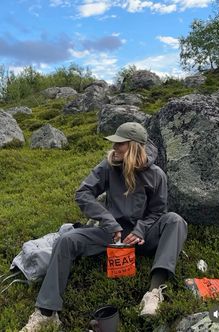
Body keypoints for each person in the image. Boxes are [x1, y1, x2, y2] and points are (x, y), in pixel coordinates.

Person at [20, 122, 188, 331]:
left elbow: (158, 212)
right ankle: (46, 312)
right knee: (66, 240)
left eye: (120, 144)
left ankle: (153, 294)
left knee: (175, 220)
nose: (114, 148)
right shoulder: (108, 166)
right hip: (111, 236)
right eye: (114, 143)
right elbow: (83, 193)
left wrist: (140, 229)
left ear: (134, 146)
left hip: (142, 239)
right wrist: (108, 221)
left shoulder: (157, 175)